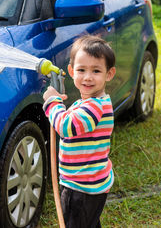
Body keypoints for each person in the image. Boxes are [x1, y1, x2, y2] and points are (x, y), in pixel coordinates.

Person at [43, 35, 116, 228]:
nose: (88, 77)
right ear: (71, 71)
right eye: (81, 70)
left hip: (81, 186)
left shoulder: (94, 107)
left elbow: (66, 127)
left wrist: (52, 103)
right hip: (89, 182)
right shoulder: (88, 103)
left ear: (109, 74)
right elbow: (73, 121)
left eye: (96, 71)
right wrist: (61, 105)